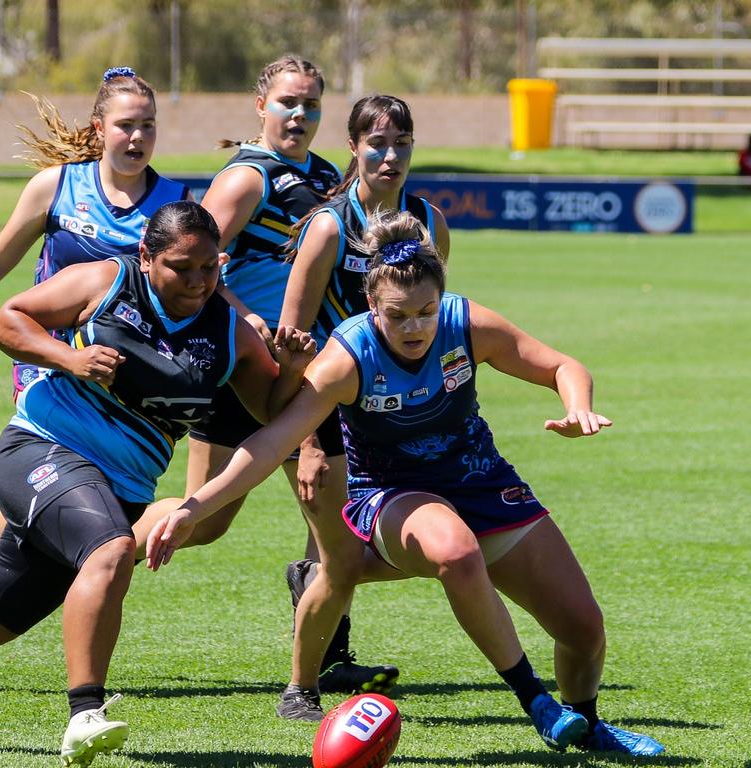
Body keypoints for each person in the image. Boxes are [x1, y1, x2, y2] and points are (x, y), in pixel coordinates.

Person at [147, 210, 665, 757]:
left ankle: (587, 725)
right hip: (391, 493)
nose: (416, 327)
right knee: (455, 551)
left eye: (425, 312)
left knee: (582, 627)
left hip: (480, 480)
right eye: (399, 316)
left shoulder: (466, 324)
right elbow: (269, 444)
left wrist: (577, 408)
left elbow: (562, 366)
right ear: (373, 306)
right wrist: (193, 508)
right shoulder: (347, 356)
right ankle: (536, 701)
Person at [0, 201, 318, 764]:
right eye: (179, 267)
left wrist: (288, 368)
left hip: (120, 486)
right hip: (41, 447)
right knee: (114, 548)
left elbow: (269, 410)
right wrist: (66, 358)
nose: (196, 282)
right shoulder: (106, 282)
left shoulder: (230, 331)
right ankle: (84, 714)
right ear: (146, 257)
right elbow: (6, 320)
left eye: (208, 268)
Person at [0, 67, 190, 693]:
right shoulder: (58, 187)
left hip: (119, 385)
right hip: (49, 363)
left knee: (76, 489)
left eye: (148, 126)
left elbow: (204, 285)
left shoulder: (174, 204)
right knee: (63, 474)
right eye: (125, 125)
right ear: (98, 129)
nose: (137, 137)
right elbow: (0, 254)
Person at [133, 55, 399, 703]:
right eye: (287, 102)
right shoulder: (248, 178)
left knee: (330, 504)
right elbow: (192, 270)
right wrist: (255, 324)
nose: (299, 115)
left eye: (311, 105)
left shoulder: (325, 176)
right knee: (208, 518)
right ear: (261, 106)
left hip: (302, 368)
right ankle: (89, 543)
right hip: (240, 369)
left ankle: (328, 652)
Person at [271, 93, 451, 719]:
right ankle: (302, 685)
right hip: (328, 406)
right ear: (353, 147)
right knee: (336, 552)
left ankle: (325, 636)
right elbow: (291, 337)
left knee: (348, 546)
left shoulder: (428, 220)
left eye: (402, 142)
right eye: (378, 143)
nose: (391, 155)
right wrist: (310, 443)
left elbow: (434, 323)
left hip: (394, 409)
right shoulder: (329, 225)